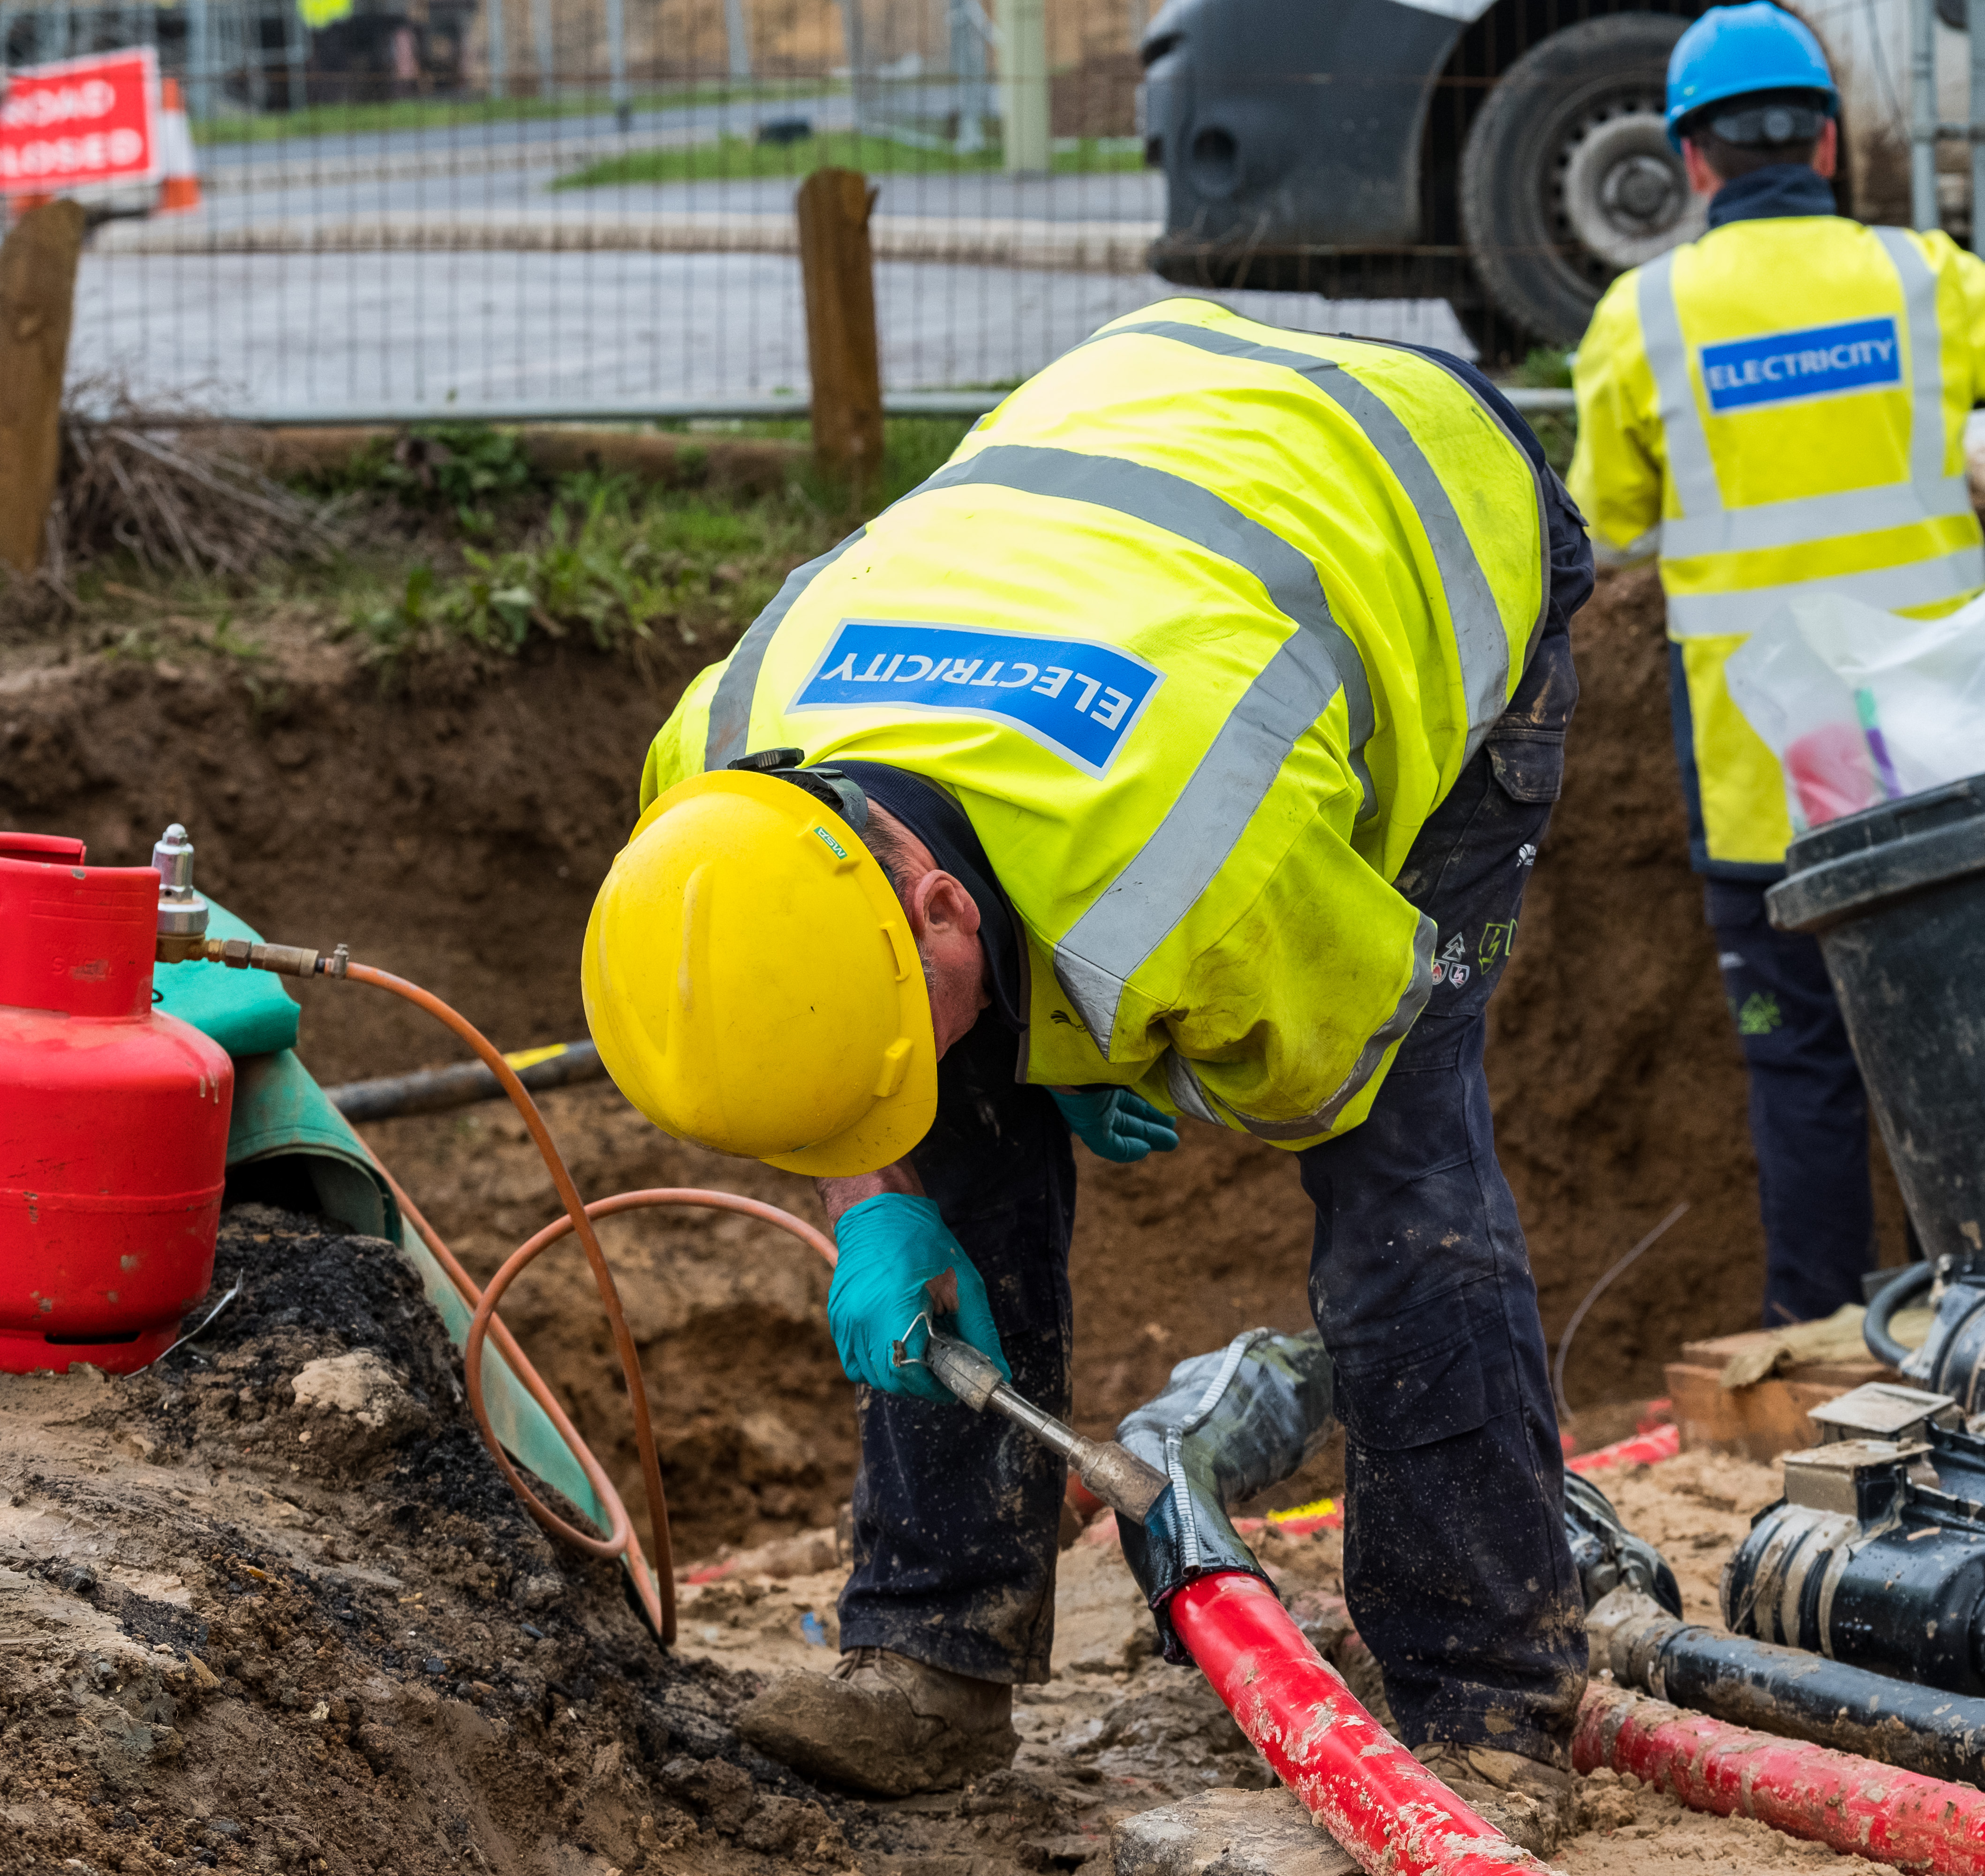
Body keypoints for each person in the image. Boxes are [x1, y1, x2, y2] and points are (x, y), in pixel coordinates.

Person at [578, 300, 1595, 1834]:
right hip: (1127, 464)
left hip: (1432, 498)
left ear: (934, 906)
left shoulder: (1208, 870)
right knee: (965, 1102)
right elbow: (815, 1042)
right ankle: (931, 1648)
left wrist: (1116, 1058)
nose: (882, 1087)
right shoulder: (708, 784)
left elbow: (1332, 1072)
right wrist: (871, 1197)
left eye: (890, 1045)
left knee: (1408, 1187)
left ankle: (1490, 1693)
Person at [1565, 2, 1985, 1325]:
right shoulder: (1922, 280)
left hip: (1767, 785)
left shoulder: (1646, 318)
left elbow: (1612, 520)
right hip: (1933, 761)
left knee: (1800, 1070)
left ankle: (1818, 1332)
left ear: (1691, 159)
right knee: (1963, 1055)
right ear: (1823, 143)